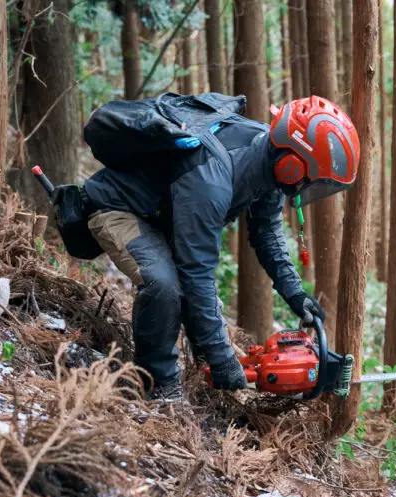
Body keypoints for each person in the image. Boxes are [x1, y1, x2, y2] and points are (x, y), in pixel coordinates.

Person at [82, 95, 360, 401]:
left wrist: (295, 293)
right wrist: (224, 359)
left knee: (198, 303)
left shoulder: (269, 161)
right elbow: (196, 275)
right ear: (292, 163)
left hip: (164, 216)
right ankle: (157, 385)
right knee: (164, 283)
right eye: (309, 179)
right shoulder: (211, 180)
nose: (307, 188)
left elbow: (267, 233)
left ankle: (201, 382)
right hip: (118, 207)